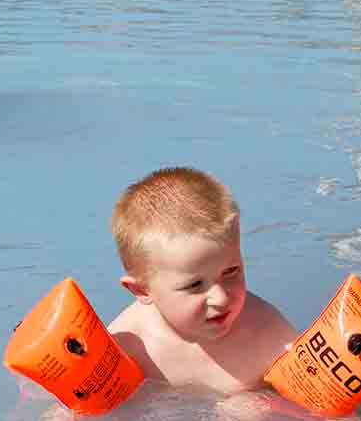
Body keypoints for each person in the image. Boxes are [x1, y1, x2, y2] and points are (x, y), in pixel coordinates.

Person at [107, 166, 297, 393]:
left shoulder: (268, 332)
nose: (220, 298)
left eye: (231, 271)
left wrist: (264, 403)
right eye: (195, 285)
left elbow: (322, 409)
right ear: (142, 291)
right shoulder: (125, 347)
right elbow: (77, 415)